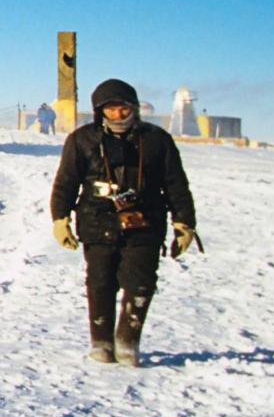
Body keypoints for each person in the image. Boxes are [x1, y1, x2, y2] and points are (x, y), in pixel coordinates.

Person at [49, 78, 198, 366]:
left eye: (124, 108)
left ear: (134, 107)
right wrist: (60, 218)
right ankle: (101, 342)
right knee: (100, 282)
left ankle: (128, 341)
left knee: (140, 282)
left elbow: (177, 184)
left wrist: (184, 223)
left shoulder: (157, 140)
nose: (118, 114)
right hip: (96, 221)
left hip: (146, 222)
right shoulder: (81, 140)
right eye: (111, 109)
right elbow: (66, 182)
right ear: (100, 111)